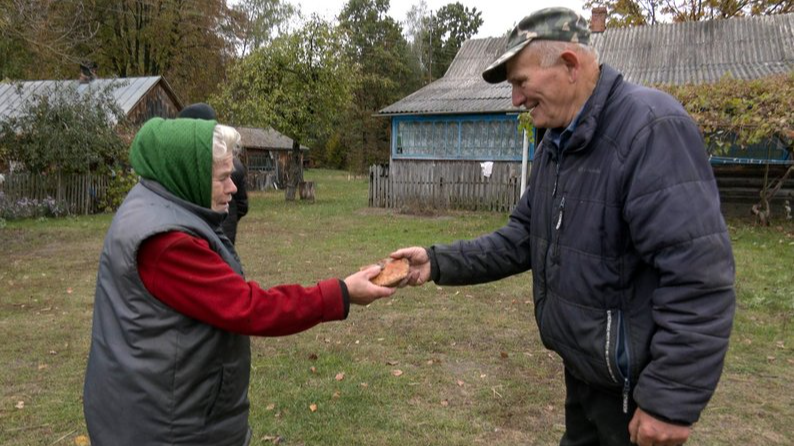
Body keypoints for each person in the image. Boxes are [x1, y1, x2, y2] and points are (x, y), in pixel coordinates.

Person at [393, 8, 736, 446]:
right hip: (585, 375)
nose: (516, 99)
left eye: (521, 83)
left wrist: (669, 400)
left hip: (633, 397)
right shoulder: (558, 142)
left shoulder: (650, 129)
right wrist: (436, 262)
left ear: (570, 65)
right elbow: (521, 237)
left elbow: (699, 276)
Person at [83, 117, 394, 445]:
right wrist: (341, 293)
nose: (233, 186)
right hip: (168, 426)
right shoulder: (166, 243)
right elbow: (248, 307)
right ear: (188, 176)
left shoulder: (151, 202)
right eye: (222, 178)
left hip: (151, 406)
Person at [179, 103, 248, 244]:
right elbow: (242, 205)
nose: (231, 187)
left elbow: (242, 204)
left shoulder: (230, 164)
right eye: (222, 177)